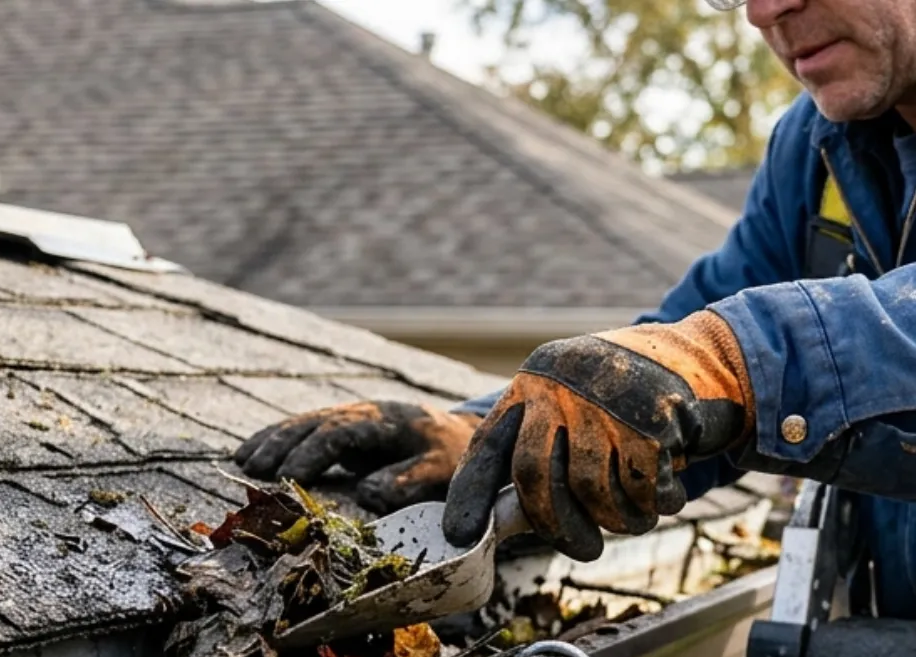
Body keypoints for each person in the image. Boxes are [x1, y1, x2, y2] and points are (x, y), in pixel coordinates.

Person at [236, 0, 916, 619]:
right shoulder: (819, 148)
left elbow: (725, 355)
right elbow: (683, 341)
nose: (765, 12)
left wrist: (727, 362)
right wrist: (491, 437)